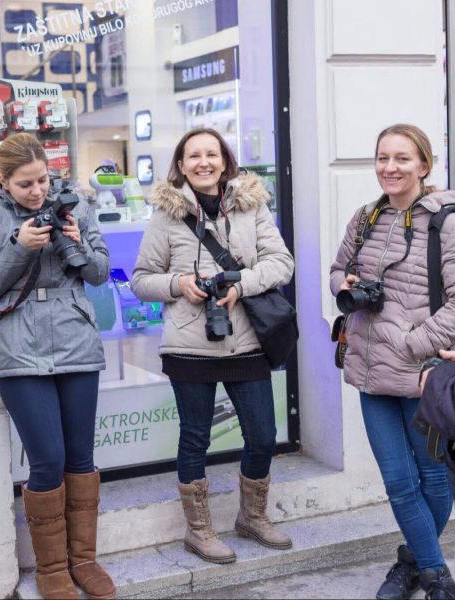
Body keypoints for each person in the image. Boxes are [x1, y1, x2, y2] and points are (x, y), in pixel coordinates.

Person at [131, 127, 294, 565]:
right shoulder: (166, 215)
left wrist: (241, 284)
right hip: (188, 343)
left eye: (212, 154)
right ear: (181, 165)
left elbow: (282, 263)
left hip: (246, 340)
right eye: (193, 156)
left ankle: (252, 517)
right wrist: (178, 283)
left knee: (263, 435)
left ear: (225, 160)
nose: (204, 162)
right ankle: (199, 531)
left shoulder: (250, 204)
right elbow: (141, 279)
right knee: (195, 439)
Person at [0, 133, 115, 600]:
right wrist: (20, 245)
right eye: (25, 184)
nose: (37, 191)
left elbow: (99, 273)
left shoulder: (76, 204)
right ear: (3, 180)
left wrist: (78, 240)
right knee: (47, 459)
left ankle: (84, 561)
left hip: (75, 337)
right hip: (19, 347)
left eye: (43, 180)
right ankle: (52, 569)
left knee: (81, 457)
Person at [330, 124, 455, 600]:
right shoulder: (365, 217)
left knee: (435, 480)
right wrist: (344, 286)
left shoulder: (445, 220)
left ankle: (412, 566)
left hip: (422, 373)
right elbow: (337, 271)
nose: (390, 167)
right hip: (368, 370)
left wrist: (413, 343)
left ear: (424, 165)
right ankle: (435, 575)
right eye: (383, 157)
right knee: (399, 482)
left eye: (402, 158)